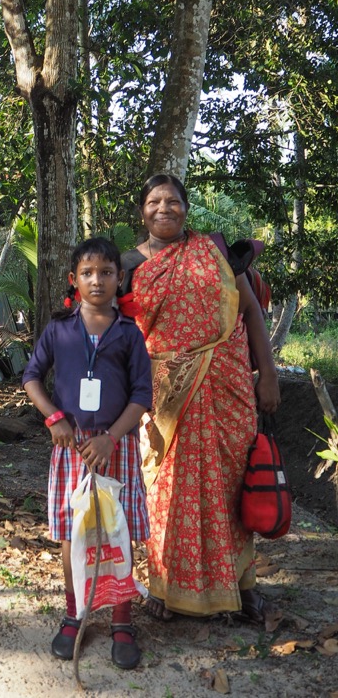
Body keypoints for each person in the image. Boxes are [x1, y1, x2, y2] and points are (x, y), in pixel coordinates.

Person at [120, 173, 281, 623]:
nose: (164, 208)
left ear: (186, 209)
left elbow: (249, 312)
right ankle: (165, 585)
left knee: (229, 487)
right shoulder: (130, 265)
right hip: (163, 396)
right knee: (166, 492)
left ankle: (239, 583)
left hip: (226, 387)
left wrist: (266, 374)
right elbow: (116, 334)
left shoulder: (213, 253)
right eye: (154, 201)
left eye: (173, 201)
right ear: (142, 211)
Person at [22, 237, 153, 670]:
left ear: (120, 279)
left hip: (115, 448)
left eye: (106, 273)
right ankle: (75, 612)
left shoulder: (130, 333)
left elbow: (141, 394)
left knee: (119, 532)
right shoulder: (59, 328)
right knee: (74, 533)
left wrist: (112, 437)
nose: (97, 280)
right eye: (87, 273)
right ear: (74, 280)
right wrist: (54, 418)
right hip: (72, 448)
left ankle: (121, 619)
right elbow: (32, 377)